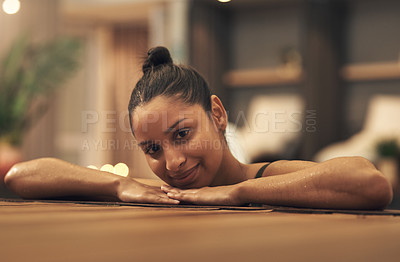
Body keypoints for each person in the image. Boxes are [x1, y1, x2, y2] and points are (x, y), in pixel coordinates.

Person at [4, 47, 393, 210]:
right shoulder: (162, 193)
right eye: (152, 149)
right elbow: (22, 176)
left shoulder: (261, 176)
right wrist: (121, 185)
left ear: (218, 115)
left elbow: (370, 182)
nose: (172, 162)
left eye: (182, 134)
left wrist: (235, 192)